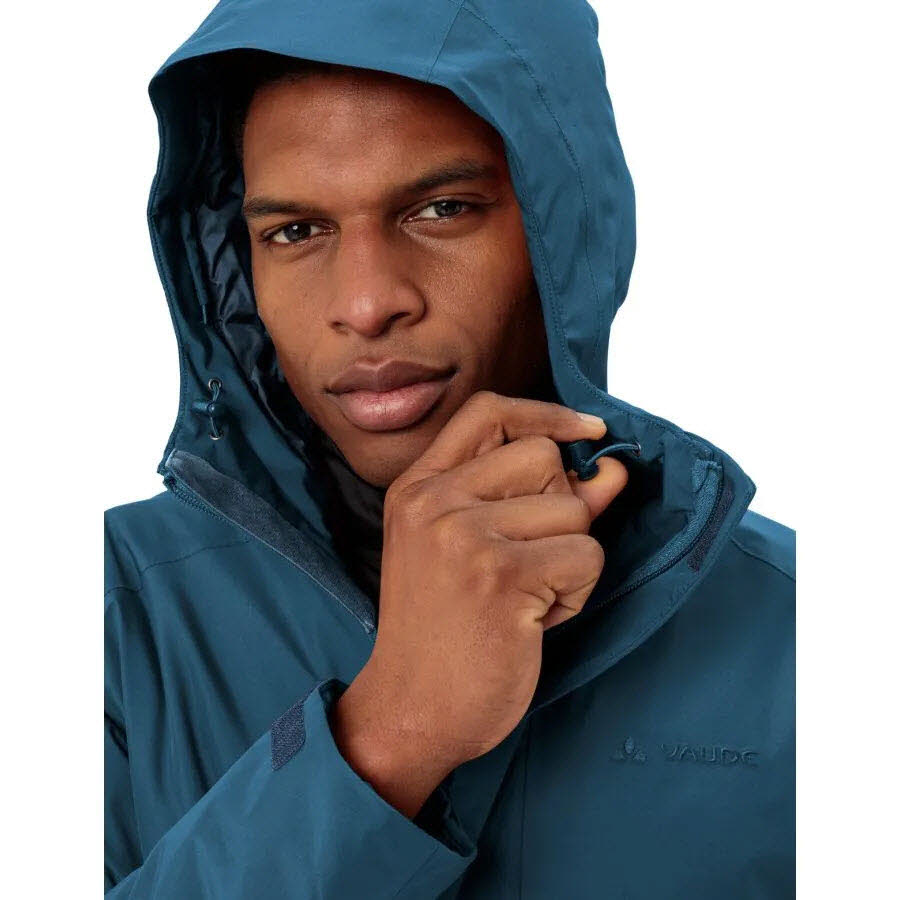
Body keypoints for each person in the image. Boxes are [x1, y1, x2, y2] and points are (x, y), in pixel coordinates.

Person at [104, 1, 795, 896]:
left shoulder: (804, 631)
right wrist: (392, 733)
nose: (367, 303)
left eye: (441, 209)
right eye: (296, 232)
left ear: (563, 229)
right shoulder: (101, 618)